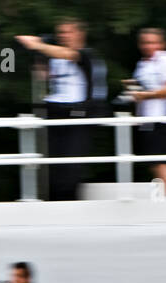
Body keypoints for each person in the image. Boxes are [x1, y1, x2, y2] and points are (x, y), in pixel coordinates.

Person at [16, 19, 108, 200]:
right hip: (55, 112)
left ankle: (68, 201)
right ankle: (52, 200)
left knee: (71, 164)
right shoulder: (54, 56)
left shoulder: (86, 55)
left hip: (77, 114)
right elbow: (41, 76)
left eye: (68, 32)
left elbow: (69, 55)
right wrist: (36, 53)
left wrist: (38, 45)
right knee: (51, 162)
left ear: (80, 34)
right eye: (61, 33)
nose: (64, 36)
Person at [127, 27, 166, 195]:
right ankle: (162, 197)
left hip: (162, 116)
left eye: (152, 42)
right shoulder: (142, 64)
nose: (148, 46)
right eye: (145, 42)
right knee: (153, 162)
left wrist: (147, 95)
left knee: (162, 160)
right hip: (146, 118)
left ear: (162, 44)